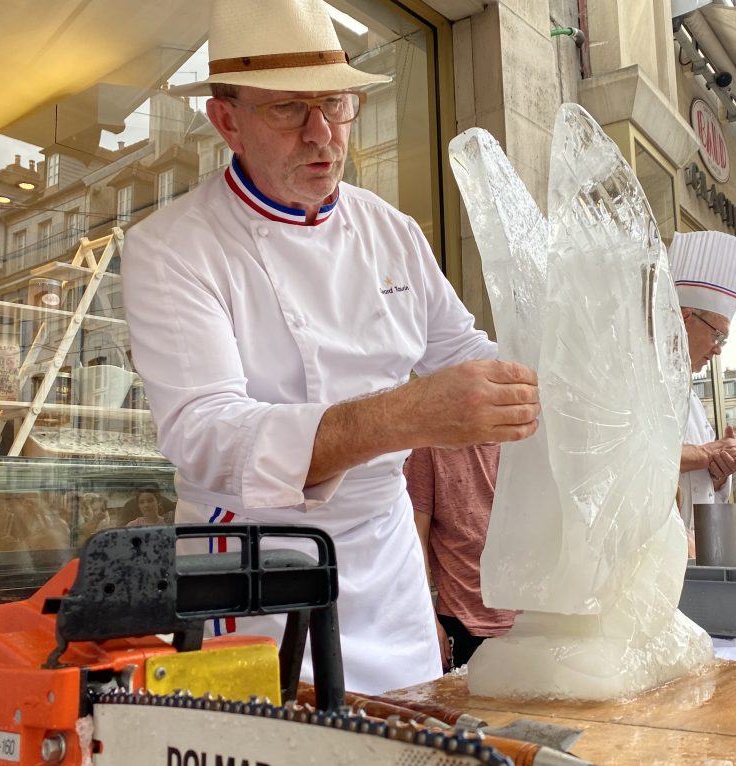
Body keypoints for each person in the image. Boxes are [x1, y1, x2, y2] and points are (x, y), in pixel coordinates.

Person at [122, 0, 539, 695]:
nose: (323, 134)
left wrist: (564, 372)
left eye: (337, 104)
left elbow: (464, 353)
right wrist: (406, 415)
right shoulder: (173, 247)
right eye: (288, 108)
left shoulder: (393, 231)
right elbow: (208, 432)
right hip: (250, 567)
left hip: (386, 559)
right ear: (226, 120)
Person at [669, 231, 736, 536]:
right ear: (684, 316)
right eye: (717, 335)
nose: (718, 349)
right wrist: (709, 452)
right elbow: (636, 454)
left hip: (693, 547)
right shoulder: (634, 378)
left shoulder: (689, 394)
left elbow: (699, 482)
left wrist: (720, 470)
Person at [405, 444, 516, 671]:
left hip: (529, 625)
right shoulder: (431, 447)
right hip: (461, 622)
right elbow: (414, 539)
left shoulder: (531, 441)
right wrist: (427, 622)